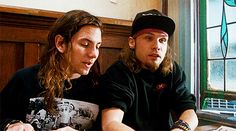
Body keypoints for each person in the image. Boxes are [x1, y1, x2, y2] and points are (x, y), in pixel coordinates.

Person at [0, 9, 103, 131]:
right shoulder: (24, 79)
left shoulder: (101, 87)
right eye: (85, 44)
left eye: (97, 46)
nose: (94, 54)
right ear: (60, 44)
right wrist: (12, 125)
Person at [99, 9, 198, 131]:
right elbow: (110, 123)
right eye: (148, 38)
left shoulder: (173, 70)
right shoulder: (118, 73)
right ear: (132, 42)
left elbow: (189, 110)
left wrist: (181, 129)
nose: (157, 46)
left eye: (162, 40)